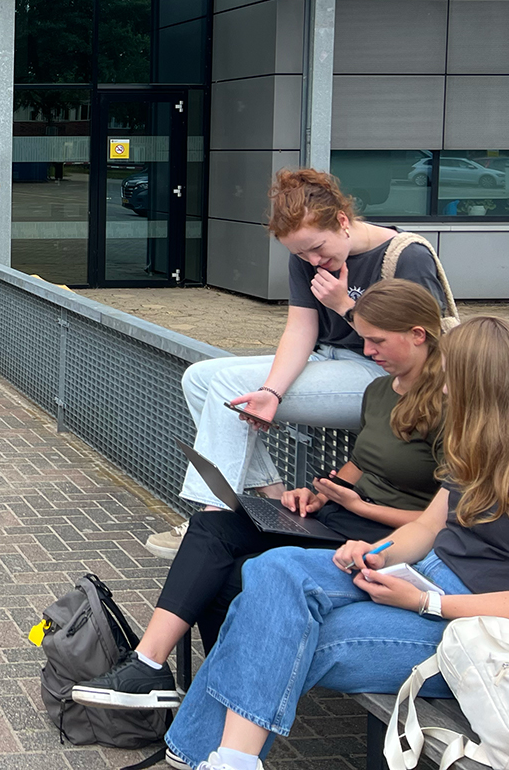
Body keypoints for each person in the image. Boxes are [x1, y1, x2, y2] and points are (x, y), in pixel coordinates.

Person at [73, 279, 446, 710]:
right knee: (212, 525)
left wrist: (361, 506)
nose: (366, 352)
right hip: (337, 518)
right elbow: (361, 462)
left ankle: (225, 695)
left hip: (380, 542)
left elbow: (441, 522)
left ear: (418, 335)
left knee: (234, 574)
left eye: (376, 340)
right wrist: (320, 494)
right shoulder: (380, 390)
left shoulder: (450, 406)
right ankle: (149, 665)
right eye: (362, 339)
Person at [161, 315, 509, 770]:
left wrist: (425, 603)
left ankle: (203, 757)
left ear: (478, 385)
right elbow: (428, 529)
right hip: (421, 575)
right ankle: (231, 761)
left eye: (449, 379)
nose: (442, 389)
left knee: (276, 627)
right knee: (273, 570)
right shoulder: (475, 445)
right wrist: (377, 554)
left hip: (473, 624)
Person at [146, 167, 454, 559]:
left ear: (343, 221)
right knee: (201, 379)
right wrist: (271, 392)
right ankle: (272, 498)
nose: (313, 260)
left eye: (318, 248)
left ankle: (213, 515)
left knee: (226, 387)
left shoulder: (406, 254)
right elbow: (300, 331)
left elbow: (423, 338)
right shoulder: (307, 258)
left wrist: (345, 305)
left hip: (386, 378)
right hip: (328, 360)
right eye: (300, 254)